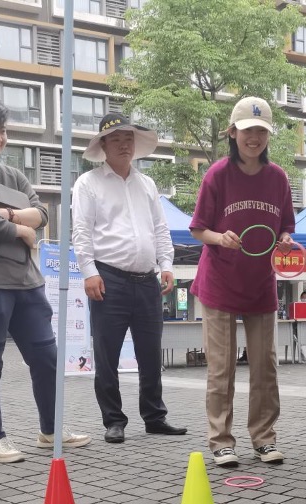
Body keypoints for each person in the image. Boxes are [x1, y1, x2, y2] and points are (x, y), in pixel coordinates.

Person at [0, 96, 91, 464]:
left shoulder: (14, 176)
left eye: (3, 130)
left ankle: (50, 430)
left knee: (47, 358)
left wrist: (8, 215)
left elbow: (41, 213)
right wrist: (21, 230)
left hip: (26, 281)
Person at [190, 96, 293, 467]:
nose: (255, 138)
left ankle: (264, 439)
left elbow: (286, 226)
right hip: (219, 283)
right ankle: (221, 441)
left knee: (265, 366)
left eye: (261, 131)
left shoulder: (278, 178)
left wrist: (285, 240)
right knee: (222, 368)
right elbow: (199, 228)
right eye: (248, 130)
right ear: (233, 132)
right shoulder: (217, 175)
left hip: (260, 284)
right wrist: (221, 238)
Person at [72, 113, 186, 444]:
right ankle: (113, 419)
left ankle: (154, 416)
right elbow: (82, 231)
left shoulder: (146, 184)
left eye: (128, 139)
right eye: (116, 139)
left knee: (151, 351)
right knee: (106, 353)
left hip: (147, 279)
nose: (124, 145)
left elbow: (160, 228)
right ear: (103, 145)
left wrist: (167, 264)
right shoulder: (88, 183)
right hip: (109, 278)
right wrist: (89, 272)